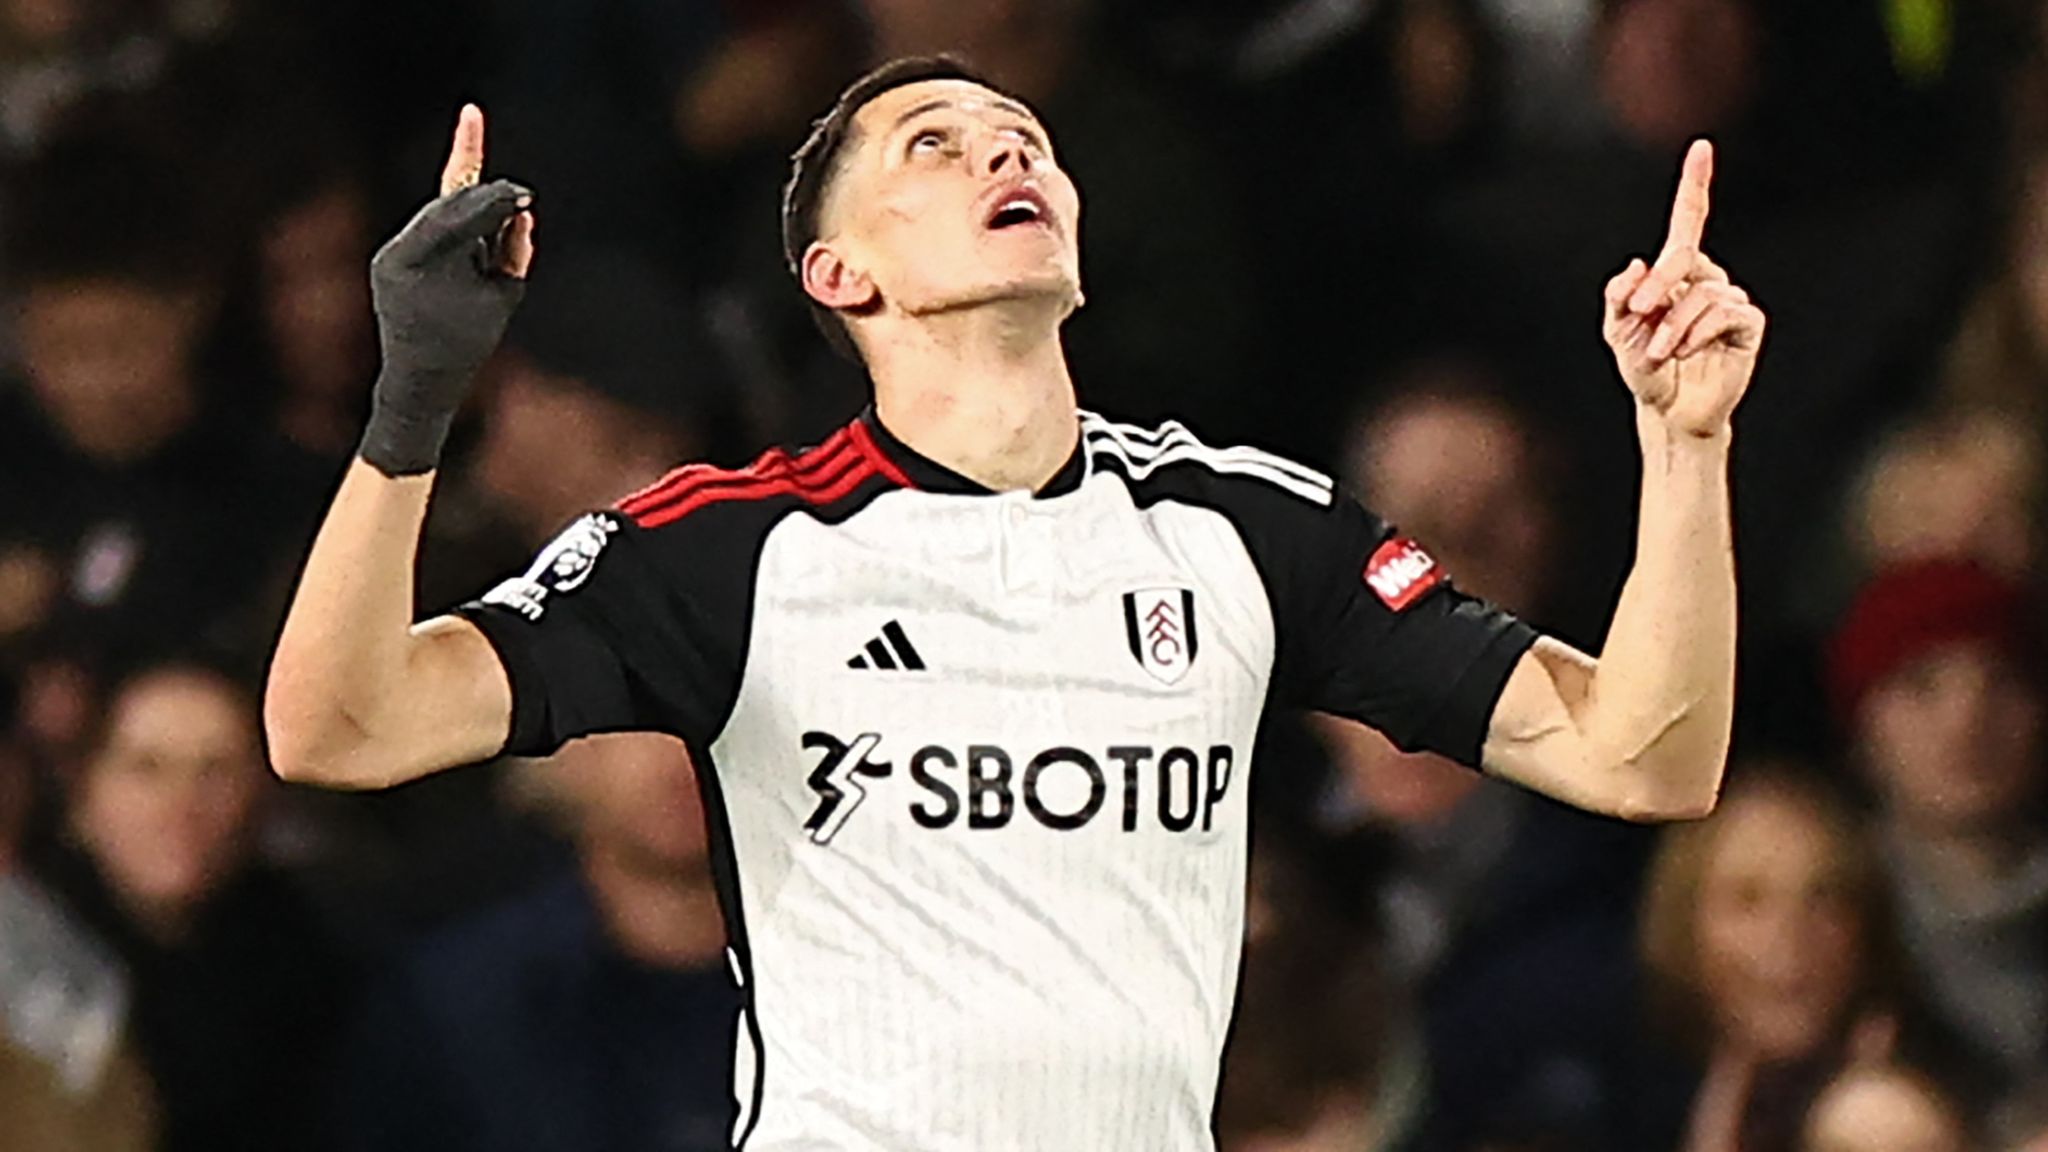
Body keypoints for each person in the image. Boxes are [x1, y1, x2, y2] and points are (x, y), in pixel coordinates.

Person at [265, 55, 1765, 1150]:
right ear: (839, 274)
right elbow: (337, 728)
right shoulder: (732, 549)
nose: (1009, 162)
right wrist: (416, 402)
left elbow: (1646, 754)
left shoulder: (1242, 528)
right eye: (938, 144)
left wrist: (1685, 449)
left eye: (1028, 143)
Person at [343, 732, 739, 1152]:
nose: (681, 754)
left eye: (712, 716)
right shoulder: (457, 1003)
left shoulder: (814, 990)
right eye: (644, 721)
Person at [32, 660, 353, 1152]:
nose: (182, 805)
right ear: (83, 789)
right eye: (147, 768)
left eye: (216, 770)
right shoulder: (22, 954)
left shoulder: (314, 957)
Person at [1828, 560, 2048, 1123]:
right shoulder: (1824, 918)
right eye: (1921, 685)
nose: (1967, 721)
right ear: (1863, 724)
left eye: (2001, 680)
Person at [1627, 765, 1924, 1152]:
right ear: (1684, 923)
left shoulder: (1904, 1107)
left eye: (1824, 896)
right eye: (1748, 900)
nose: (1789, 936)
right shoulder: (1638, 1094)